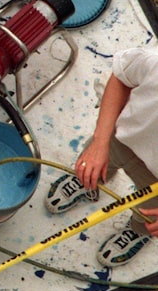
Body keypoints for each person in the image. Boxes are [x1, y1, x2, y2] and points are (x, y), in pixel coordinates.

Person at [45, 47, 158, 267]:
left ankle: (138, 231)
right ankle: (90, 181)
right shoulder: (155, 62)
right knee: (94, 165)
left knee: (149, 216)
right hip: (121, 138)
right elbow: (122, 77)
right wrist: (100, 142)